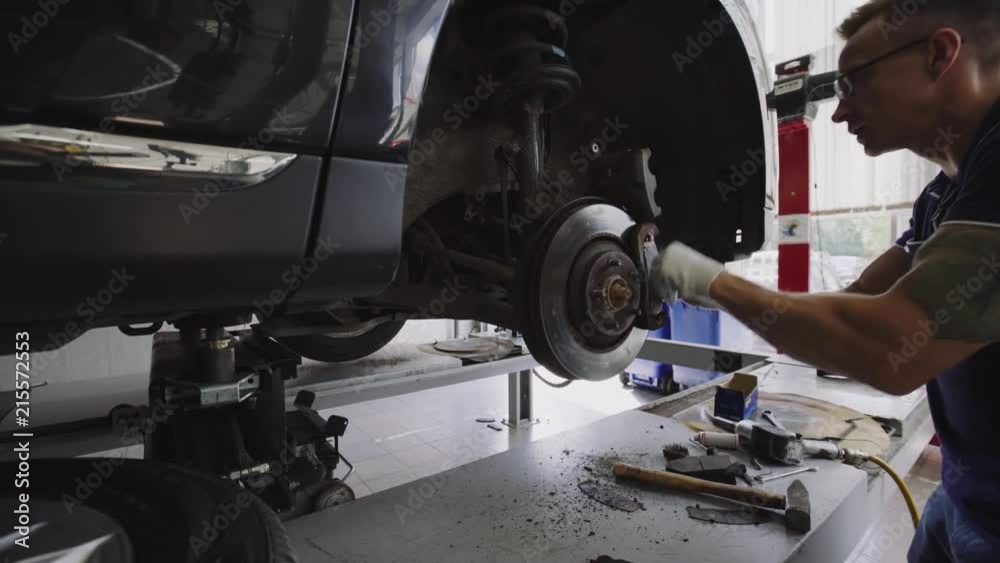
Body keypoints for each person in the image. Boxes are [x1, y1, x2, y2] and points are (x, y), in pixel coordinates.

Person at [651, 1, 1000, 561]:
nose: (839, 112)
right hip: (965, 498)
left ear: (940, 54)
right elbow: (860, 301)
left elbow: (894, 347)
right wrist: (731, 292)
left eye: (855, 82)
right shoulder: (944, 195)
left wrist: (711, 281)